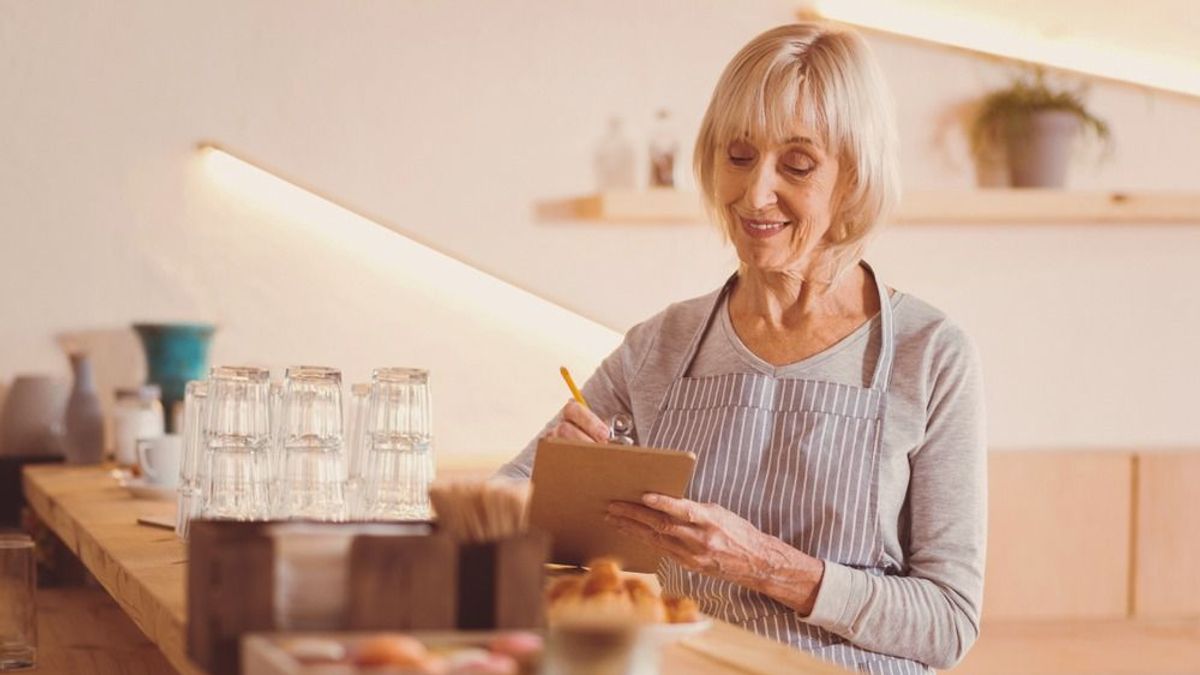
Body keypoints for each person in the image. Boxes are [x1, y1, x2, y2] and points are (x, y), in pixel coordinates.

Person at [498, 22, 985, 674]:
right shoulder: (660, 346)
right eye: (738, 155)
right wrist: (563, 488)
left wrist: (764, 564)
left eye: (797, 164)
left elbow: (949, 621)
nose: (756, 194)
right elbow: (500, 510)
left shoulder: (930, 355)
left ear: (853, 176)